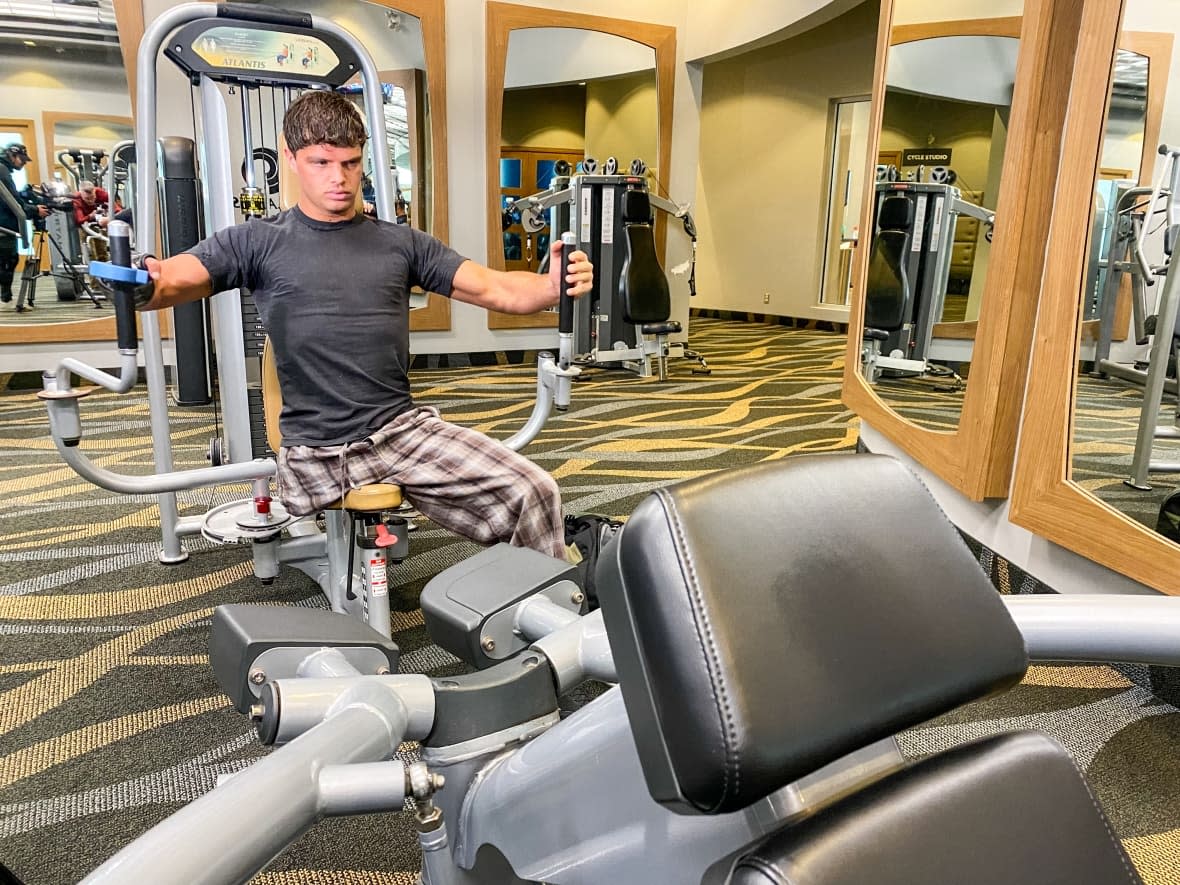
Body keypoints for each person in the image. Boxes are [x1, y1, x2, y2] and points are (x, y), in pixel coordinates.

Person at [134, 90, 594, 560]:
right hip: (316, 448)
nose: (339, 179)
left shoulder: (402, 244)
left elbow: (496, 289)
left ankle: (541, 611)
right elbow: (171, 281)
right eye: (321, 163)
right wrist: (143, 280)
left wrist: (551, 285)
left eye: (351, 163)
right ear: (290, 158)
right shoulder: (256, 241)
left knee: (535, 491)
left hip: (401, 432)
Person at [0, 143, 49, 305]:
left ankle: (5, 294)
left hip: (6, 224)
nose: (24, 163)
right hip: (4, 226)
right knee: (8, 260)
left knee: (9, 260)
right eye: (22, 159)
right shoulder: (2, 171)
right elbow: (11, 201)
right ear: (12, 156)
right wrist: (35, 209)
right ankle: (5, 294)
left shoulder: (4, 170)